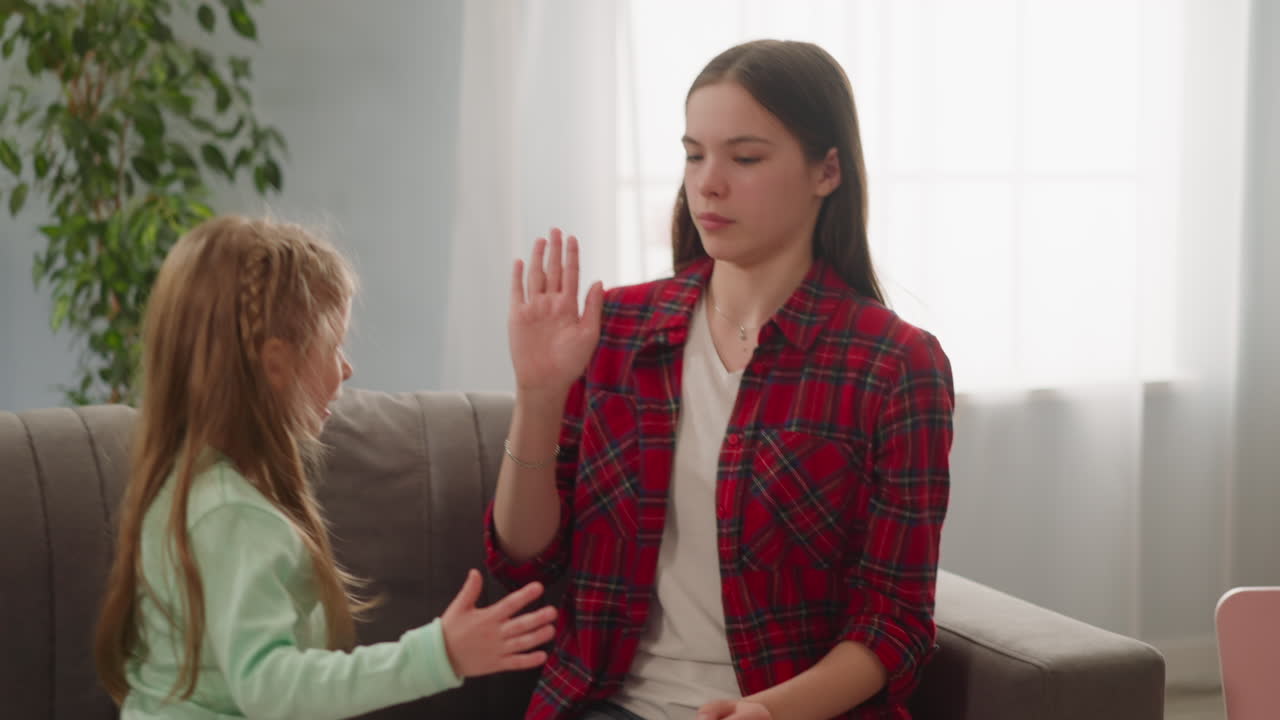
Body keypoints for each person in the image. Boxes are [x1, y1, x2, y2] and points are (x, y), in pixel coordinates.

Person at [487, 39, 955, 720]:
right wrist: (538, 398)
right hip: (604, 704)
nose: (708, 183)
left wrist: (768, 713)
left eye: (745, 158)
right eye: (694, 155)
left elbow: (895, 620)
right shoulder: (615, 330)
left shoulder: (895, 365)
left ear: (827, 171)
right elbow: (524, 560)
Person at [94, 216, 558, 719]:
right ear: (276, 365)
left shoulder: (190, 488)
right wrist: (438, 654)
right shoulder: (230, 514)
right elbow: (270, 690)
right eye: (334, 346)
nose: (347, 367)